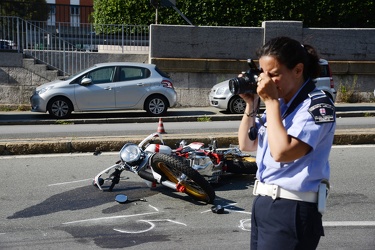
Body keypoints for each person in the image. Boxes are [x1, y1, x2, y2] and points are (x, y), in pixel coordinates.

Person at [238, 36, 336, 250]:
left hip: (292, 208)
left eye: (273, 74)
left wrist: (271, 102)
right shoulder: (281, 105)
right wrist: (252, 103)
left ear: (298, 70)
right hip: (264, 204)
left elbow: (282, 152)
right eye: (262, 73)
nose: (265, 81)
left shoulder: (317, 105)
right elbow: (246, 144)